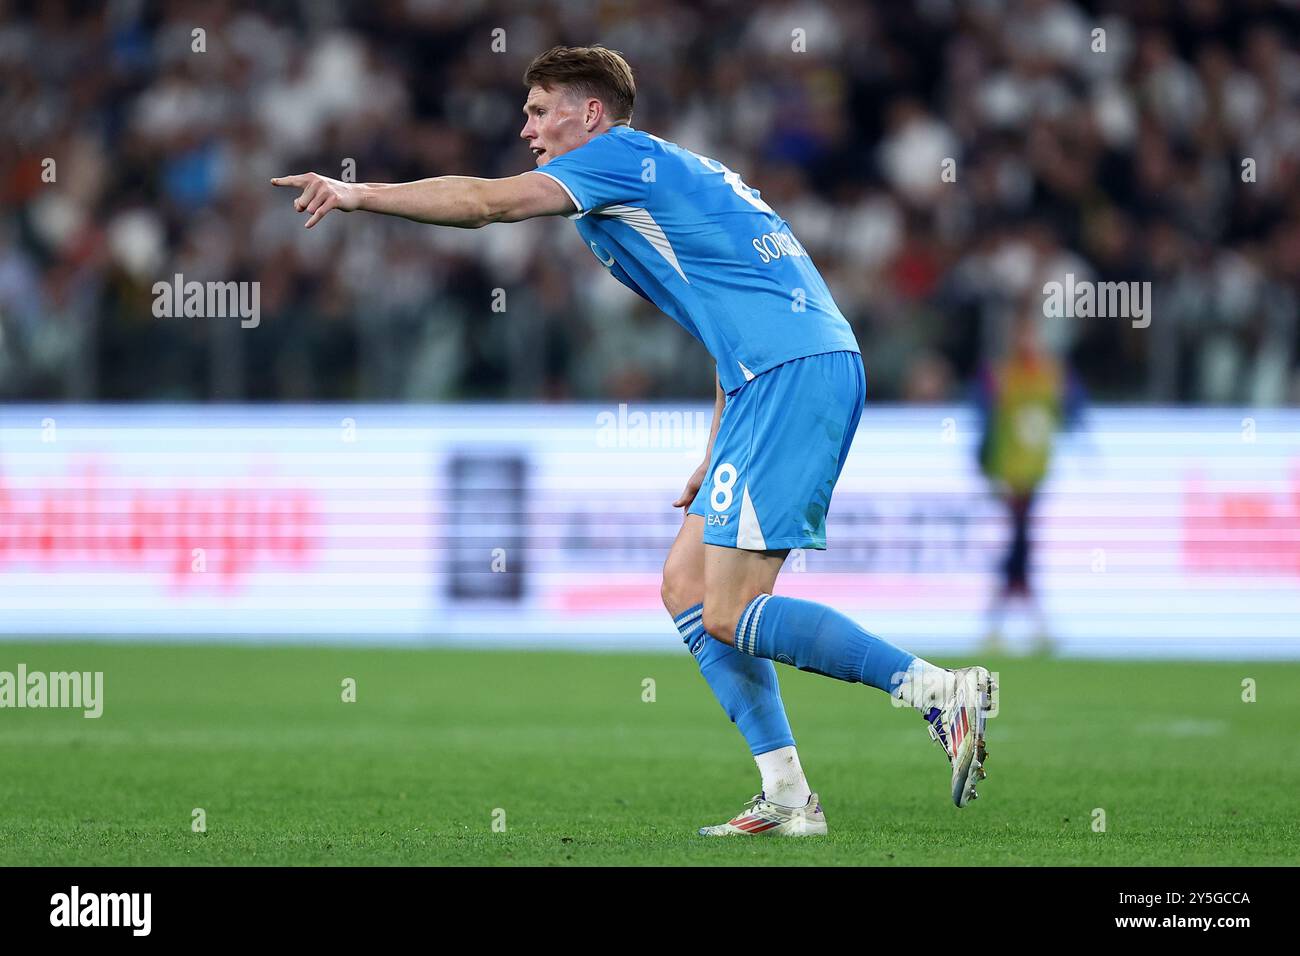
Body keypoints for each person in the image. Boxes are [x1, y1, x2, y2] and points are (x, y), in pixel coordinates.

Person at [272, 45, 995, 835]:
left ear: (592, 114)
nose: (527, 129)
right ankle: (787, 795)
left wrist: (357, 194)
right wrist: (716, 449)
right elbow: (728, 314)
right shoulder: (652, 178)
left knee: (732, 608)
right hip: (771, 374)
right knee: (687, 587)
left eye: (540, 110)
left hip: (792, 375)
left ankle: (934, 689)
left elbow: (486, 205)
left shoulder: (615, 160)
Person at [975, 308, 1085, 654]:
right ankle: (1028, 627)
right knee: (1020, 548)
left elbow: (1074, 411)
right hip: (1012, 475)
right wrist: (989, 469)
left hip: (1034, 474)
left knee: (1019, 549)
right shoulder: (1001, 375)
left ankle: (1002, 626)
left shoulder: (1052, 375)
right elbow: (986, 425)